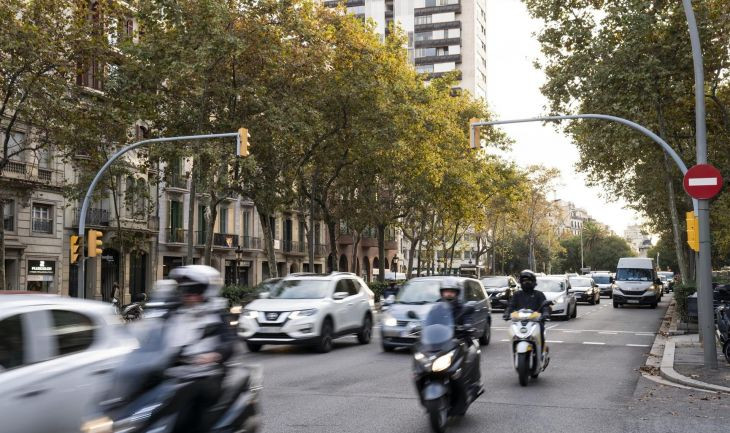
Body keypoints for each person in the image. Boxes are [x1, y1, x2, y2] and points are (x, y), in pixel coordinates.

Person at [166, 265, 238, 433]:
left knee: (193, 405)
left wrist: (215, 355)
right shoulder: (173, 313)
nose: (189, 295)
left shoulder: (215, 313)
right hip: (175, 374)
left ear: (206, 291)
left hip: (206, 375)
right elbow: (154, 336)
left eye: (195, 290)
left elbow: (229, 342)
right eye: (185, 290)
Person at [503, 269, 551, 348]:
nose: (526, 283)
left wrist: (545, 313)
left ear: (534, 282)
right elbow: (511, 305)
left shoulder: (539, 294)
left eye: (529, 281)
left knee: (541, 329)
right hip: (519, 322)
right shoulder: (517, 294)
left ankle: (541, 351)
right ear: (521, 282)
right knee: (512, 331)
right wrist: (507, 313)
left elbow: (545, 306)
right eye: (524, 281)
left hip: (536, 322)